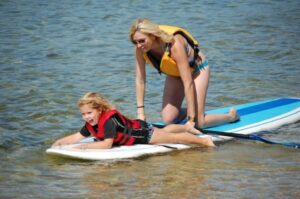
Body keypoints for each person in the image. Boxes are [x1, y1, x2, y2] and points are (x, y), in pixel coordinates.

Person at [129, 18, 239, 128]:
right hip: (175, 72)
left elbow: (188, 83)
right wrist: (141, 114)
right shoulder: (139, 49)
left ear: (152, 35)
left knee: (199, 123)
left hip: (197, 69)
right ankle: (196, 111)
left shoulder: (174, 45)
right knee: (168, 119)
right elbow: (140, 80)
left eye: (142, 41)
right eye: (135, 42)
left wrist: (191, 120)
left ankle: (230, 116)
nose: (138, 45)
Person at [51, 92, 215, 149]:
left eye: (89, 113)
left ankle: (205, 141)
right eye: (83, 114)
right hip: (139, 128)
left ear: (99, 110)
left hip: (144, 134)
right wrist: (59, 142)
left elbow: (106, 145)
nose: (86, 117)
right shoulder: (91, 123)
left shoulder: (108, 121)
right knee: (164, 132)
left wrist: (82, 148)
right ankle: (185, 126)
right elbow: (76, 137)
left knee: (173, 138)